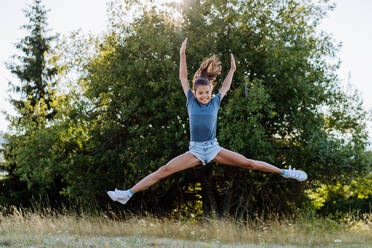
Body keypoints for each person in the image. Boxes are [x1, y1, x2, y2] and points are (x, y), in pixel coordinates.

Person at [107, 37, 307, 205]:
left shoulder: (216, 101)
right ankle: (128, 194)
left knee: (249, 164)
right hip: (195, 150)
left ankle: (285, 172)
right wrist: (182, 55)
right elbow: (183, 77)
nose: (204, 96)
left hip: (213, 148)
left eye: (207, 92)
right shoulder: (191, 102)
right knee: (164, 170)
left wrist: (232, 70)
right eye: (200, 93)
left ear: (211, 91)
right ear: (194, 93)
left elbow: (226, 87)